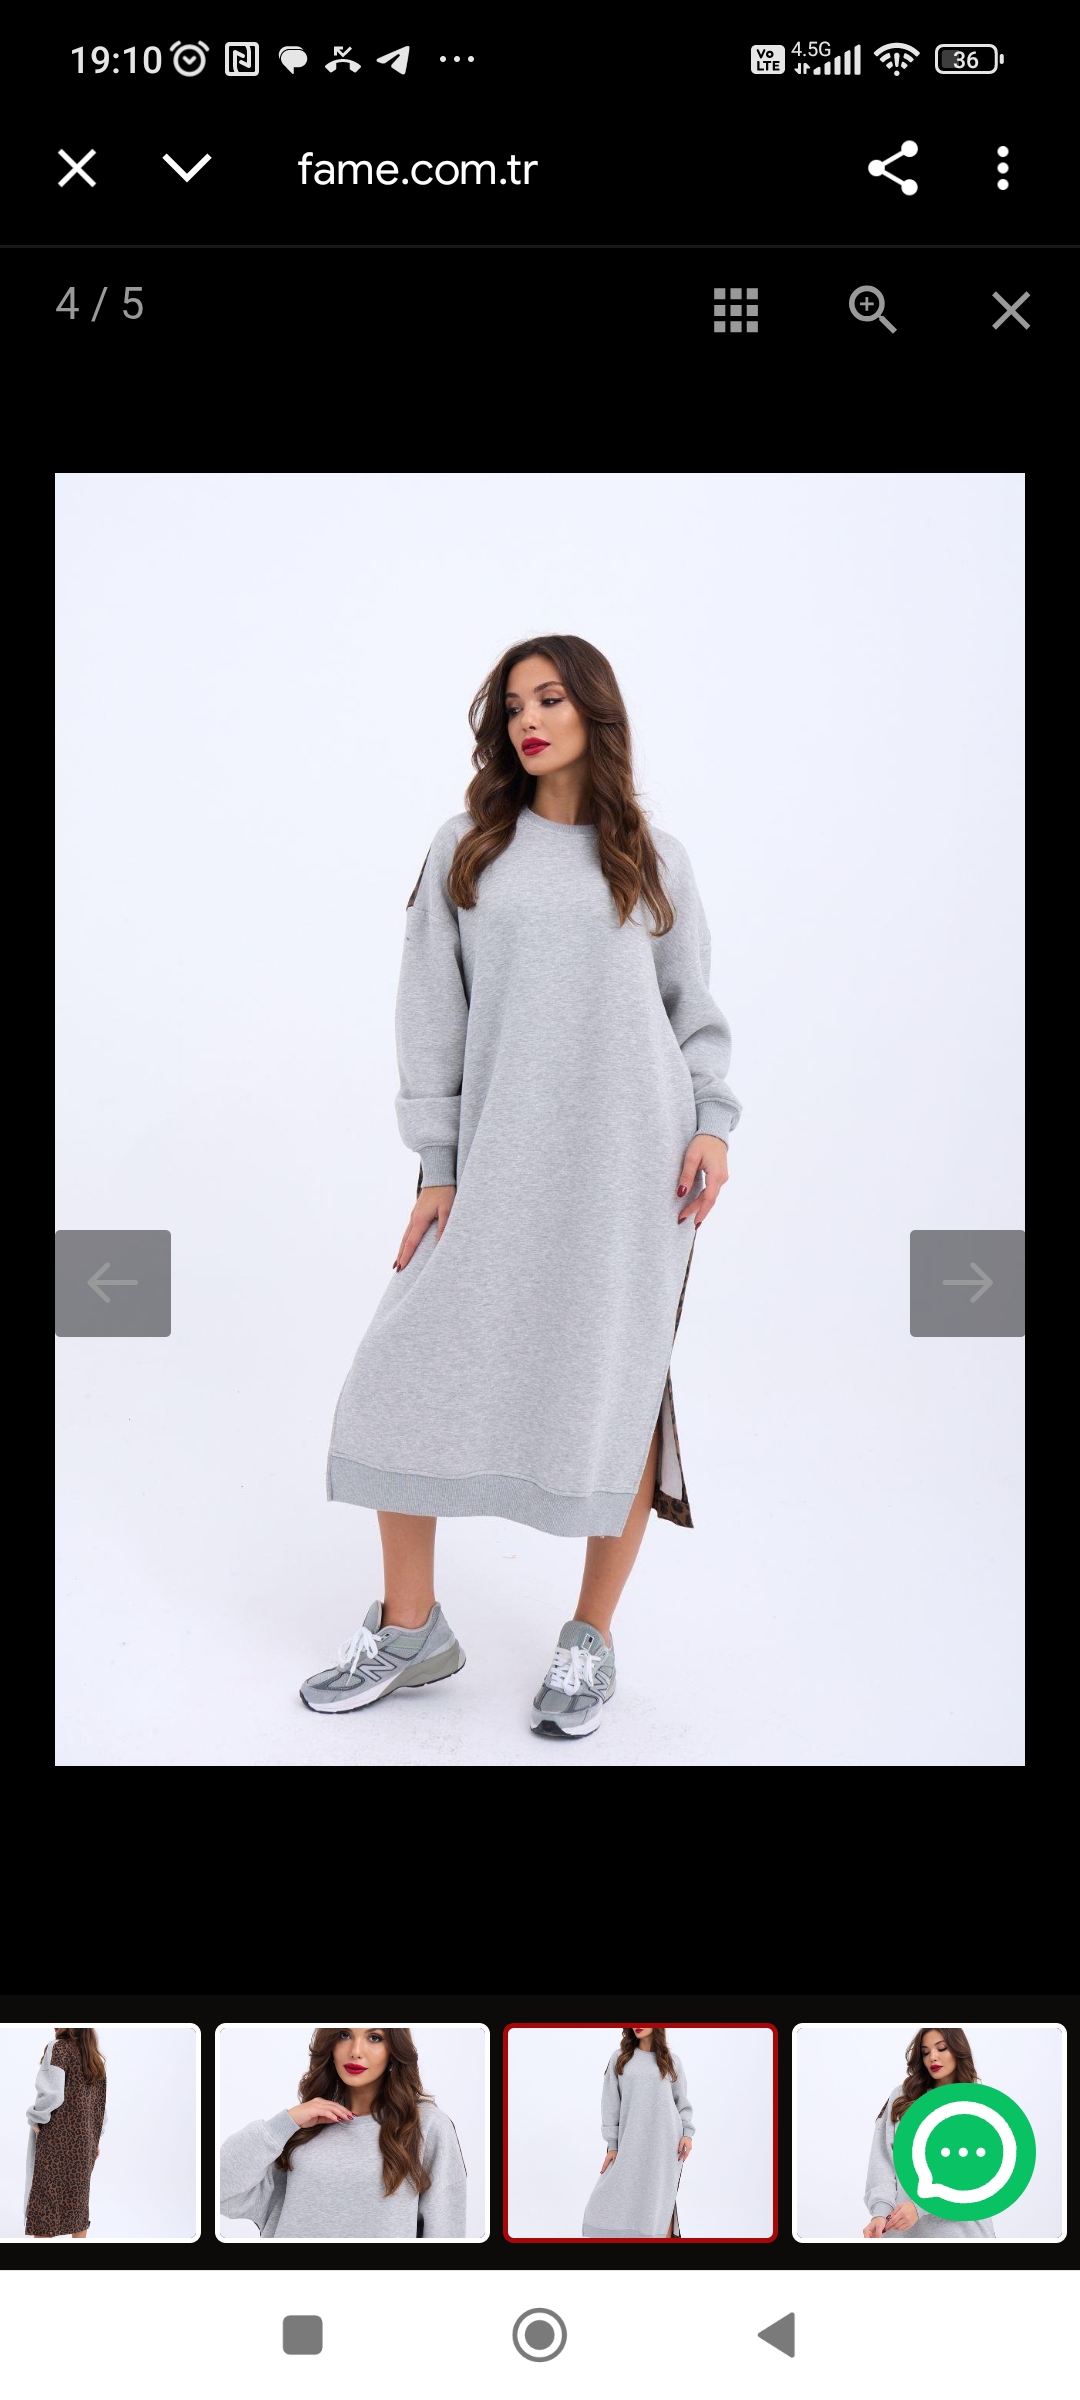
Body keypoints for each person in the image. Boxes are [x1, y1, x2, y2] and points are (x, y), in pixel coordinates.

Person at [309, 633, 741, 1739]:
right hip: (499, 1161)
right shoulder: (469, 850)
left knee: (618, 1386)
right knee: (400, 1372)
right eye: (512, 707)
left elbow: (692, 1013)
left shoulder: (655, 858)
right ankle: (412, 1629)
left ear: (595, 710)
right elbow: (430, 1012)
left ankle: (590, 1637)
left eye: (549, 698)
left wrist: (713, 1124)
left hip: (634, 1170)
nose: (529, 721)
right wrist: (438, 1164)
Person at [219, 2026, 466, 2238]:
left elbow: (445, 2231)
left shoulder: (424, 2126)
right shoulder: (303, 2127)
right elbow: (221, 2190)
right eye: (345, 2035)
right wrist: (285, 2122)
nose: (356, 2051)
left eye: (374, 2037)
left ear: (394, 2049)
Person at [863, 2026, 997, 2239]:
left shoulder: (978, 2105)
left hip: (964, 2232)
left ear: (958, 2050)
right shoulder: (903, 2098)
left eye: (941, 2048)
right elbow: (883, 2162)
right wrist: (880, 2213)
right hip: (902, 2233)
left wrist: (920, 2206)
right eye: (925, 2052)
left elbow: (977, 2175)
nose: (932, 2057)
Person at [583, 2024, 694, 2238]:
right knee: (618, 2196)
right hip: (631, 2143)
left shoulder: (672, 2061)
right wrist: (612, 2146)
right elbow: (610, 2104)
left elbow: (682, 2103)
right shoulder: (620, 2059)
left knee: (661, 2201)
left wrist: (687, 2134)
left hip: (666, 2144)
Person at [24, 2027, 107, 2238]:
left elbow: (53, 2094)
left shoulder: (58, 2048)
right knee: (78, 2205)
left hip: (55, 2141)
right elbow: (100, 2105)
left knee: (45, 2206)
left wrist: (35, 2117)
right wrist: (95, 2138)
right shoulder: (94, 2057)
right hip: (85, 2143)